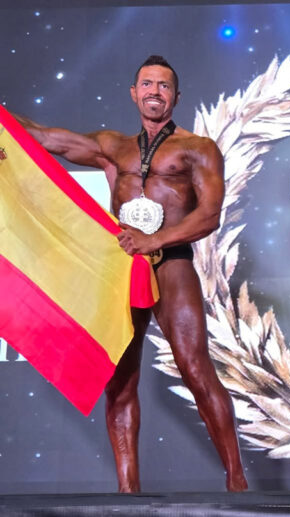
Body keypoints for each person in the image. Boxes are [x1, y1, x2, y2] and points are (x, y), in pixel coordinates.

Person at [14, 55, 247, 493]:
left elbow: (209, 215)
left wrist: (154, 241)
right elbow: (45, 138)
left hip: (171, 262)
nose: (155, 91)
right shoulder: (113, 146)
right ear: (134, 93)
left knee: (195, 369)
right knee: (119, 381)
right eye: (147, 84)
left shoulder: (198, 148)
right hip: (122, 267)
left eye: (164, 85)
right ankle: (128, 493)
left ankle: (237, 484)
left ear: (176, 96)